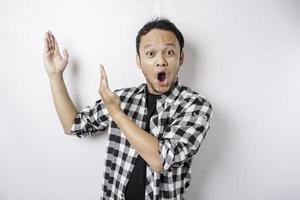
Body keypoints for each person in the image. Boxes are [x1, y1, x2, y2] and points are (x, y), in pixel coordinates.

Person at [43, 18, 213, 200]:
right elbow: (74, 125)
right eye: (151, 53)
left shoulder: (195, 106)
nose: (161, 61)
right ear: (139, 61)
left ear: (181, 58)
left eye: (169, 52)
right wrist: (55, 75)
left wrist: (117, 114)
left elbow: (161, 161)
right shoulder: (121, 99)